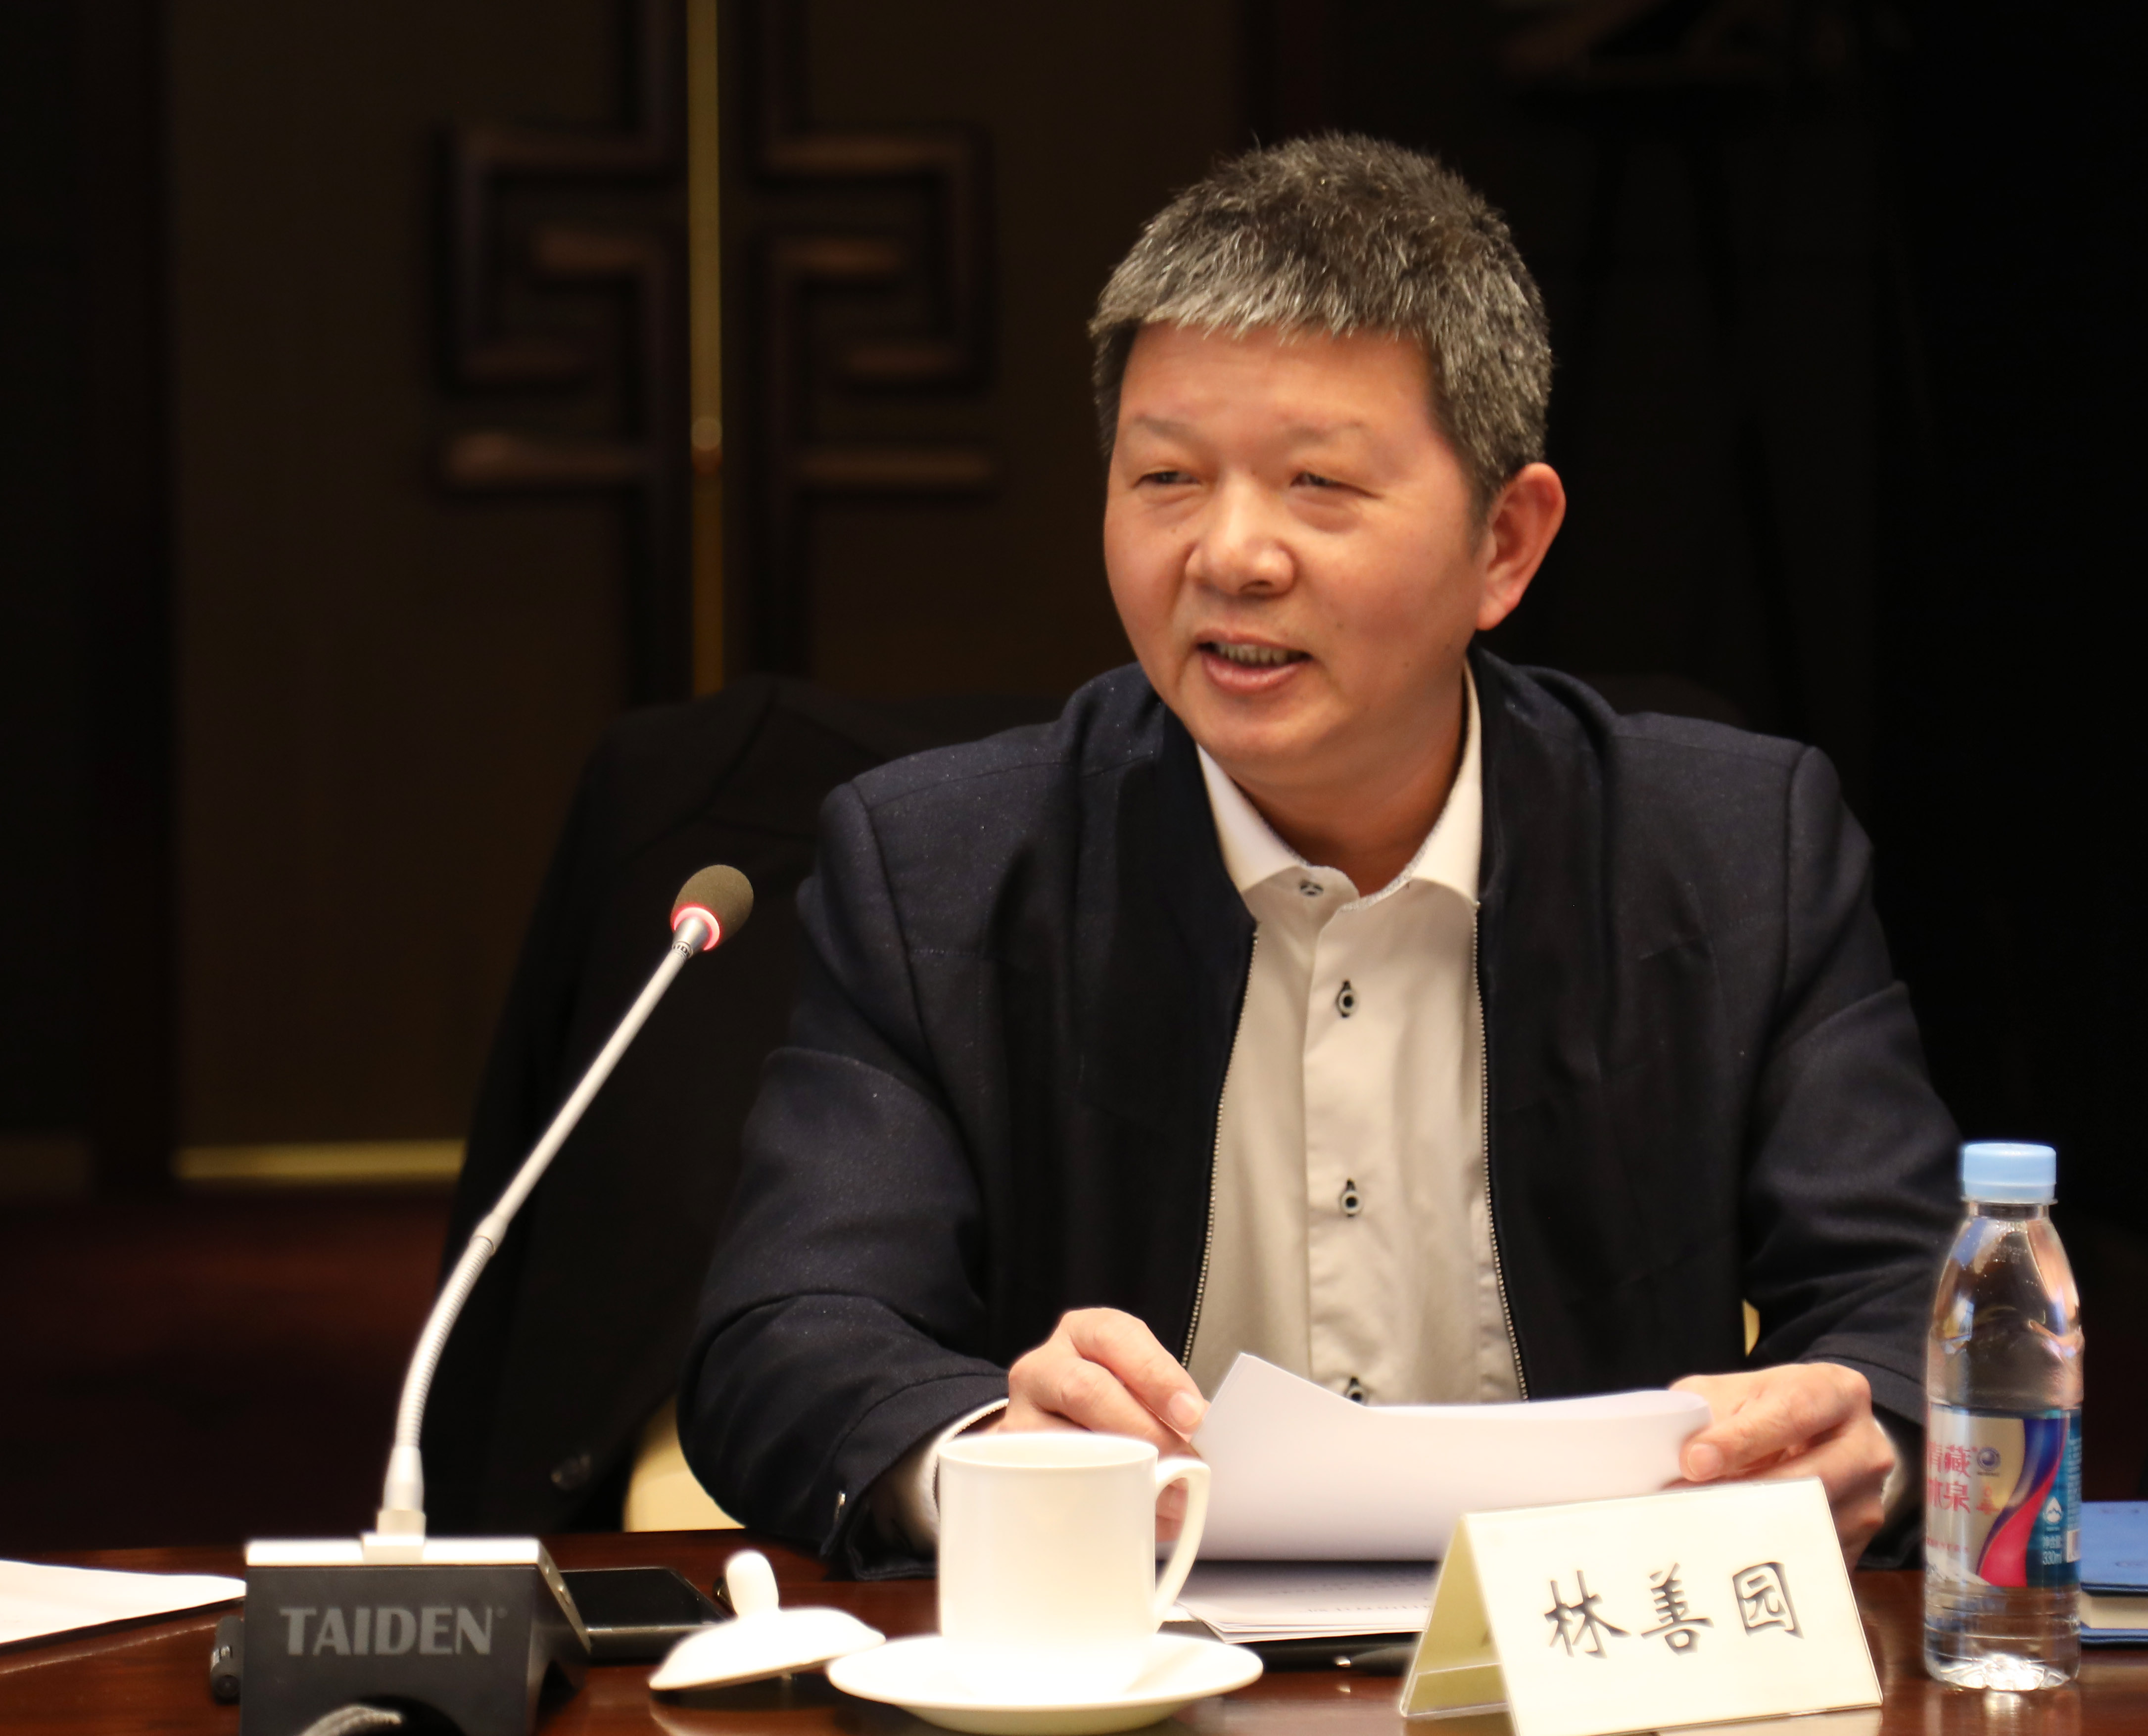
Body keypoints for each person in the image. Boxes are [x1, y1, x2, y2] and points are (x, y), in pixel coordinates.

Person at [680, 135, 1960, 1577]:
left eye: (1318, 484)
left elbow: (1918, 1302)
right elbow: (785, 1337)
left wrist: (1868, 1433)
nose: (1232, 555)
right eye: (1167, 476)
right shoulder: (939, 870)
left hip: (1591, 1646)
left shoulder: (1734, 850)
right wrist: (989, 1454)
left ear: (1506, 542)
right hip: (1135, 1654)